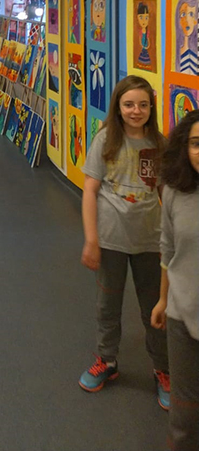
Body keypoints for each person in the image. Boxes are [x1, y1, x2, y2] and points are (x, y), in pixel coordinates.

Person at [78, 75, 170, 409]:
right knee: (108, 304)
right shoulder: (105, 140)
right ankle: (107, 360)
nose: (136, 111)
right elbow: (90, 191)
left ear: (151, 108)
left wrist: (172, 240)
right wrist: (92, 239)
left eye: (143, 105)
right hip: (111, 239)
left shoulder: (159, 144)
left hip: (150, 241)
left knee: (155, 307)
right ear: (118, 106)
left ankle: (163, 369)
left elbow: (166, 194)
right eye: (129, 104)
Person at [151, 111, 199, 451]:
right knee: (184, 413)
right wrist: (163, 300)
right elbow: (168, 248)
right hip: (183, 312)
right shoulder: (174, 191)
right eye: (196, 143)